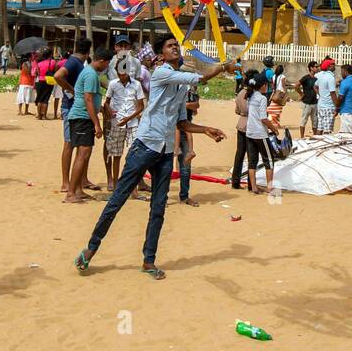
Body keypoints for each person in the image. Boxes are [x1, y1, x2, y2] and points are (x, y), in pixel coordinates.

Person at [74, 37, 232, 279]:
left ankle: (149, 261)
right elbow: (200, 78)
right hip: (145, 146)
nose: (175, 48)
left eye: (176, 45)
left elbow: (181, 122)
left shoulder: (180, 86)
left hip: (166, 152)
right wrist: (222, 66)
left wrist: (205, 130)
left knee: (158, 208)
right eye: (170, 46)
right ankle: (91, 248)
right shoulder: (161, 73)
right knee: (118, 199)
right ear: (160, 56)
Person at [64, 46, 111, 203]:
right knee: (83, 154)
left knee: (83, 154)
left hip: (83, 117)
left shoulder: (90, 73)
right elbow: (88, 99)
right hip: (82, 118)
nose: (107, 67)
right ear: (102, 61)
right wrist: (96, 124)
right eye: (107, 64)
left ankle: (78, 189)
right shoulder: (91, 74)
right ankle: (71, 192)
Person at [55, 38, 93, 194]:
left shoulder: (77, 63)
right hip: (70, 107)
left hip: (74, 108)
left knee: (80, 145)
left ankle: (81, 179)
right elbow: (58, 76)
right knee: (69, 144)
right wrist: (72, 90)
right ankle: (65, 182)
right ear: (87, 51)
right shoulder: (73, 62)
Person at [102, 58, 145, 192]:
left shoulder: (136, 85)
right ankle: (116, 186)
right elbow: (107, 102)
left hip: (132, 123)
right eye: (119, 73)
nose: (122, 76)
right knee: (116, 155)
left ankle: (133, 189)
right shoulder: (113, 84)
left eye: (124, 73)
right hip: (117, 123)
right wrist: (110, 112)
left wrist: (128, 118)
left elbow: (140, 107)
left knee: (134, 155)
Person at [241, 70, 277, 195]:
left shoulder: (250, 96)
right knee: (269, 160)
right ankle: (270, 187)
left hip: (250, 132)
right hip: (260, 133)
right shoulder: (262, 98)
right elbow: (263, 118)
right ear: (263, 86)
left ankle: (254, 187)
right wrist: (273, 128)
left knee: (252, 161)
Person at [314, 59, 337, 135]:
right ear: (328, 66)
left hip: (320, 106)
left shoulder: (320, 75)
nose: (334, 66)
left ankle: (316, 144)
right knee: (327, 130)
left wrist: (320, 94)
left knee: (320, 128)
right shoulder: (330, 77)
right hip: (329, 107)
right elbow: (332, 93)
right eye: (333, 64)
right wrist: (337, 106)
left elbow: (315, 86)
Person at [336, 64, 352, 132]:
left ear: (345, 72)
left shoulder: (345, 82)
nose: (341, 74)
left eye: (341, 72)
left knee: (347, 135)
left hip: (347, 111)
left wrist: (336, 107)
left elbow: (340, 97)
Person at [297, 61, 318, 138]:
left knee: (315, 122)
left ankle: (316, 137)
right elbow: (297, 85)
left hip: (315, 102)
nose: (317, 68)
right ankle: (302, 137)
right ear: (311, 68)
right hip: (307, 103)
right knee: (304, 120)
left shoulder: (317, 78)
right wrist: (302, 94)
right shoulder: (306, 78)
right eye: (316, 67)